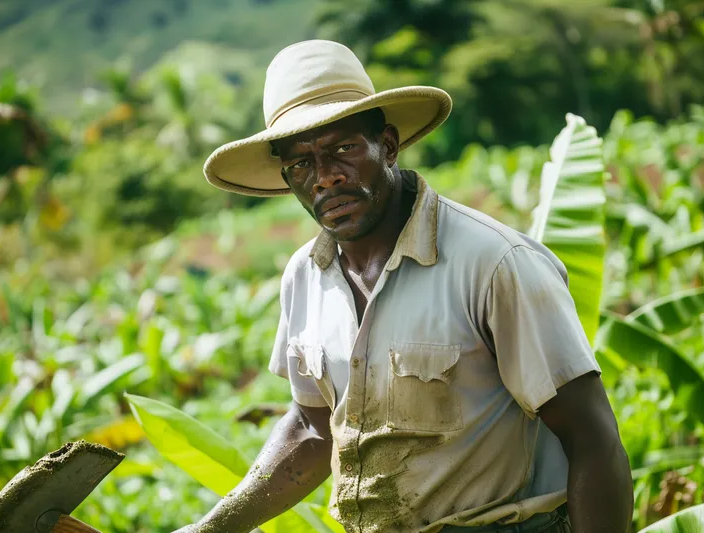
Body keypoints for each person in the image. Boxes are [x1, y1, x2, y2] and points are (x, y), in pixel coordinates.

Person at [173, 40, 633, 533]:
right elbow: (313, 429)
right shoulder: (304, 277)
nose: (325, 177)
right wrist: (208, 529)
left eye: (343, 149)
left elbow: (593, 439)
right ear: (287, 178)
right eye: (302, 163)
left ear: (388, 145)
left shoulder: (494, 263)